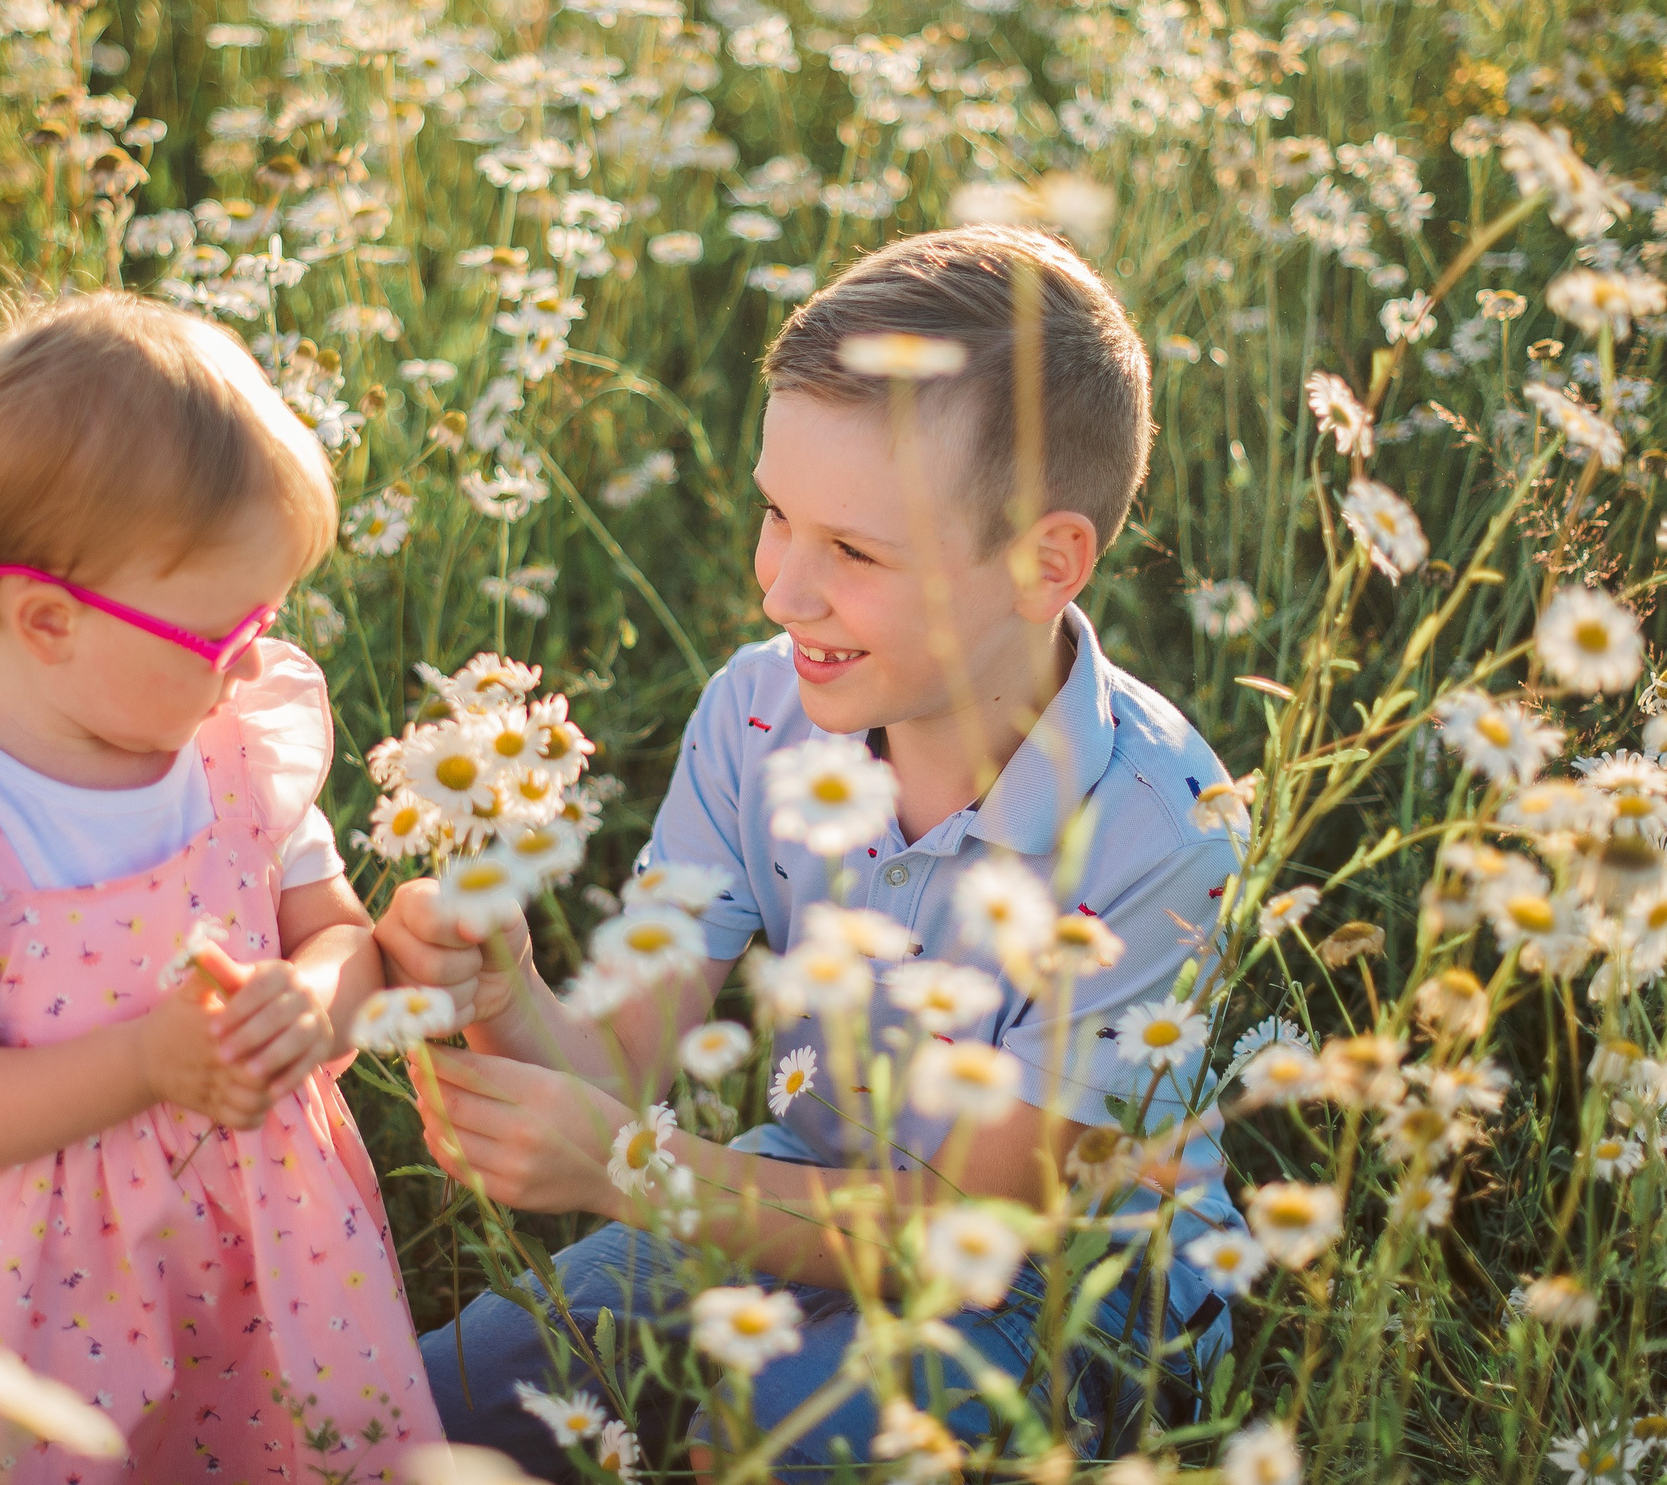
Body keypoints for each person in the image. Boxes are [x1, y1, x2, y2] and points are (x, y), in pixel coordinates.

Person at [377, 225, 1246, 1478]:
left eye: (854, 550)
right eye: (777, 516)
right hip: (788, 1182)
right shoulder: (757, 712)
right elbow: (621, 1058)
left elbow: (970, 1229)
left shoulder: (1160, 834)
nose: (782, 589)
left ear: (1043, 562)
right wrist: (507, 991)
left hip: (1070, 1287)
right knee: (431, 1408)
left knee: (782, 1441)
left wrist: (633, 1170)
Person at [0, 293, 440, 1482]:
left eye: (264, 615)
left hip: (261, 1257)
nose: (248, 656)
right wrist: (145, 1065)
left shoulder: (228, 753)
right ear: (50, 618)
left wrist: (312, 1002)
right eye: (219, 626)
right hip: (33, 1294)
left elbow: (332, 932)